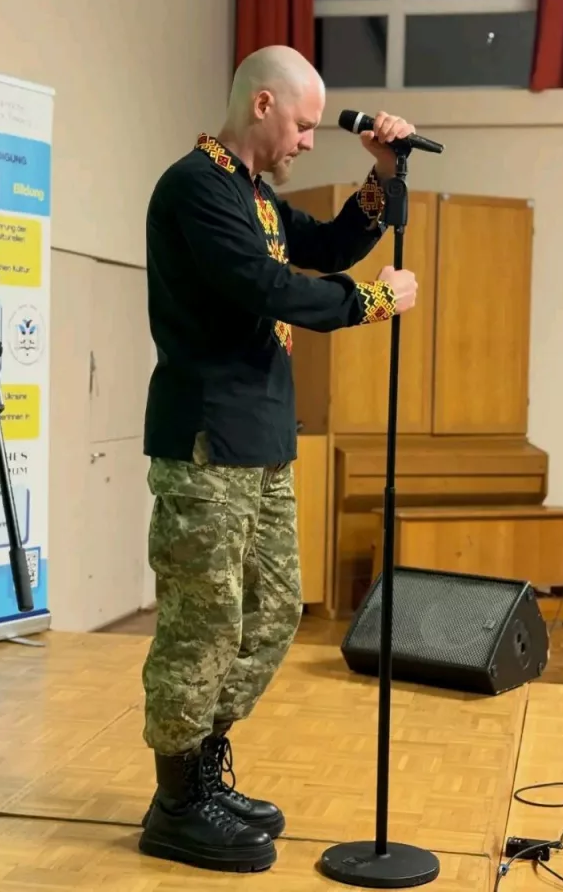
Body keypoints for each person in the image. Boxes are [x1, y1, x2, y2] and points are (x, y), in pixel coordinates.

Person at [138, 45, 418, 873]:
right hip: (207, 438)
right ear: (262, 104)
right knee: (203, 621)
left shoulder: (255, 194)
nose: (306, 140)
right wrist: (373, 303)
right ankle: (174, 803)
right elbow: (265, 287)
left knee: (269, 615)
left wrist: (382, 177)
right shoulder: (196, 186)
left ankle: (202, 768)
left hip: (260, 439)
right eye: (302, 124)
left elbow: (325, 249)